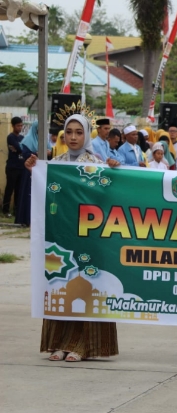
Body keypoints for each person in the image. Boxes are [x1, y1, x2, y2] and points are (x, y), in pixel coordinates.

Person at [24, 113, 120, 363]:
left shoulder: (97, 163)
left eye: (79, 132)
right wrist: (33, 171)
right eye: (69, 132)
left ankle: (83, 345)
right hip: (61, 239)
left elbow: (109, 199)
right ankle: (60, 343)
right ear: (63, 135)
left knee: (87, 288)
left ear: (87, 134)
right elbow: (45, 198)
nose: (73, 137)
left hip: (89, 240)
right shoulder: (54, 164)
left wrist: (115, 173)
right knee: (61, 286)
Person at [3, 116, 24, 217]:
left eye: (21, 125)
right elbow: (21, 148)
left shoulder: (22, 138)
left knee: (18, 190)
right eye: (18, 126)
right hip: (12, 167)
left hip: (20, 167)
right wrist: (20, 148)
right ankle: (6, 210)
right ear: (13, 126)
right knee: (9, 189)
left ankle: (17, 210)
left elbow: (24, 148)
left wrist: (20, 148)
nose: (20, 128)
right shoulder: (10, 137)